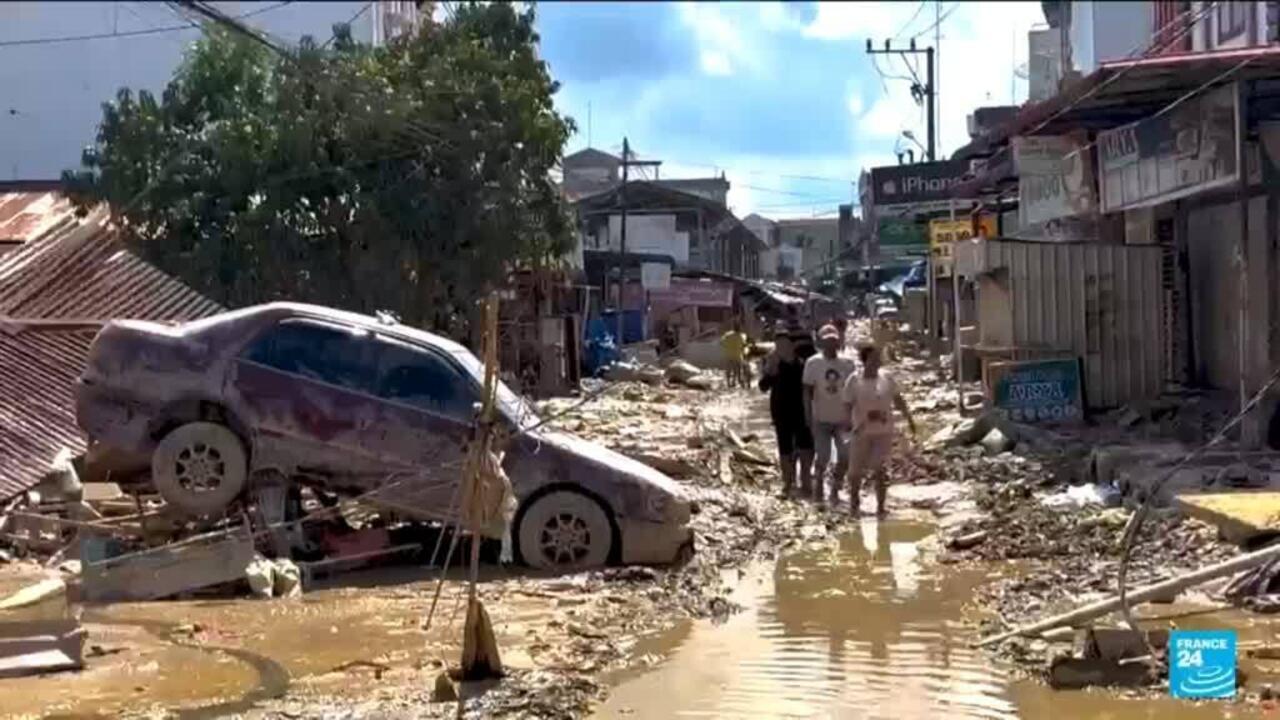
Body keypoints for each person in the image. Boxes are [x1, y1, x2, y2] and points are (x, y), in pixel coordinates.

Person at [841, 343, 917, 517]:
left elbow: (898, 400)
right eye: (873, 358)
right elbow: (847, 404)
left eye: (879, 358)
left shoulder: (887, 378)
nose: (877, 362)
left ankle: (881, 507)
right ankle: (854, 504)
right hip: (861, 432)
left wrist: (909, 419)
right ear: (865, 360)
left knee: (880, 469)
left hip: (883, 432)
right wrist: (847, 423)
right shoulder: (854, 380)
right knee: (854, 473)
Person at [802, 324, 856, 504]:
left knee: (845, 457)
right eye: (827, 341)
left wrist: (855, 417)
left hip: (843, 420)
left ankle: (836, 486)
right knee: (823, 456)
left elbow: (854, 392)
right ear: (821, 342)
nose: (831, 345)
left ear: (838, 341)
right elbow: (807, 391)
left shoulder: (848, 364)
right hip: (821, 419)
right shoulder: (813, 363)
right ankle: (818, 487)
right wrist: (808, 415)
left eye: (834, 341)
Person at [759, 327, 813, 498]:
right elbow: (763, 387)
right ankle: (788, 483)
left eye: (783, 344)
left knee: (806, 448)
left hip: (802, 412)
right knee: (785, 450)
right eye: (777, 345)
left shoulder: (803, 364)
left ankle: (806, 481)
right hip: (781, 413)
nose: (780, 348)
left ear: (791, 345)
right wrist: (770, 371)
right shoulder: (773, 364)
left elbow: (812, 389)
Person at [720, 322, 748, 389]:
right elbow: (744, 345)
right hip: (737, 355)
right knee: (737, 370)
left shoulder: (727, 335)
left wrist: (727, 346)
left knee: (729, 370)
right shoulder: (741, 336)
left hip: (728, 355)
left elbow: (721, 342)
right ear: (739, 328)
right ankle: (735, 382)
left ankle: (729, 383)